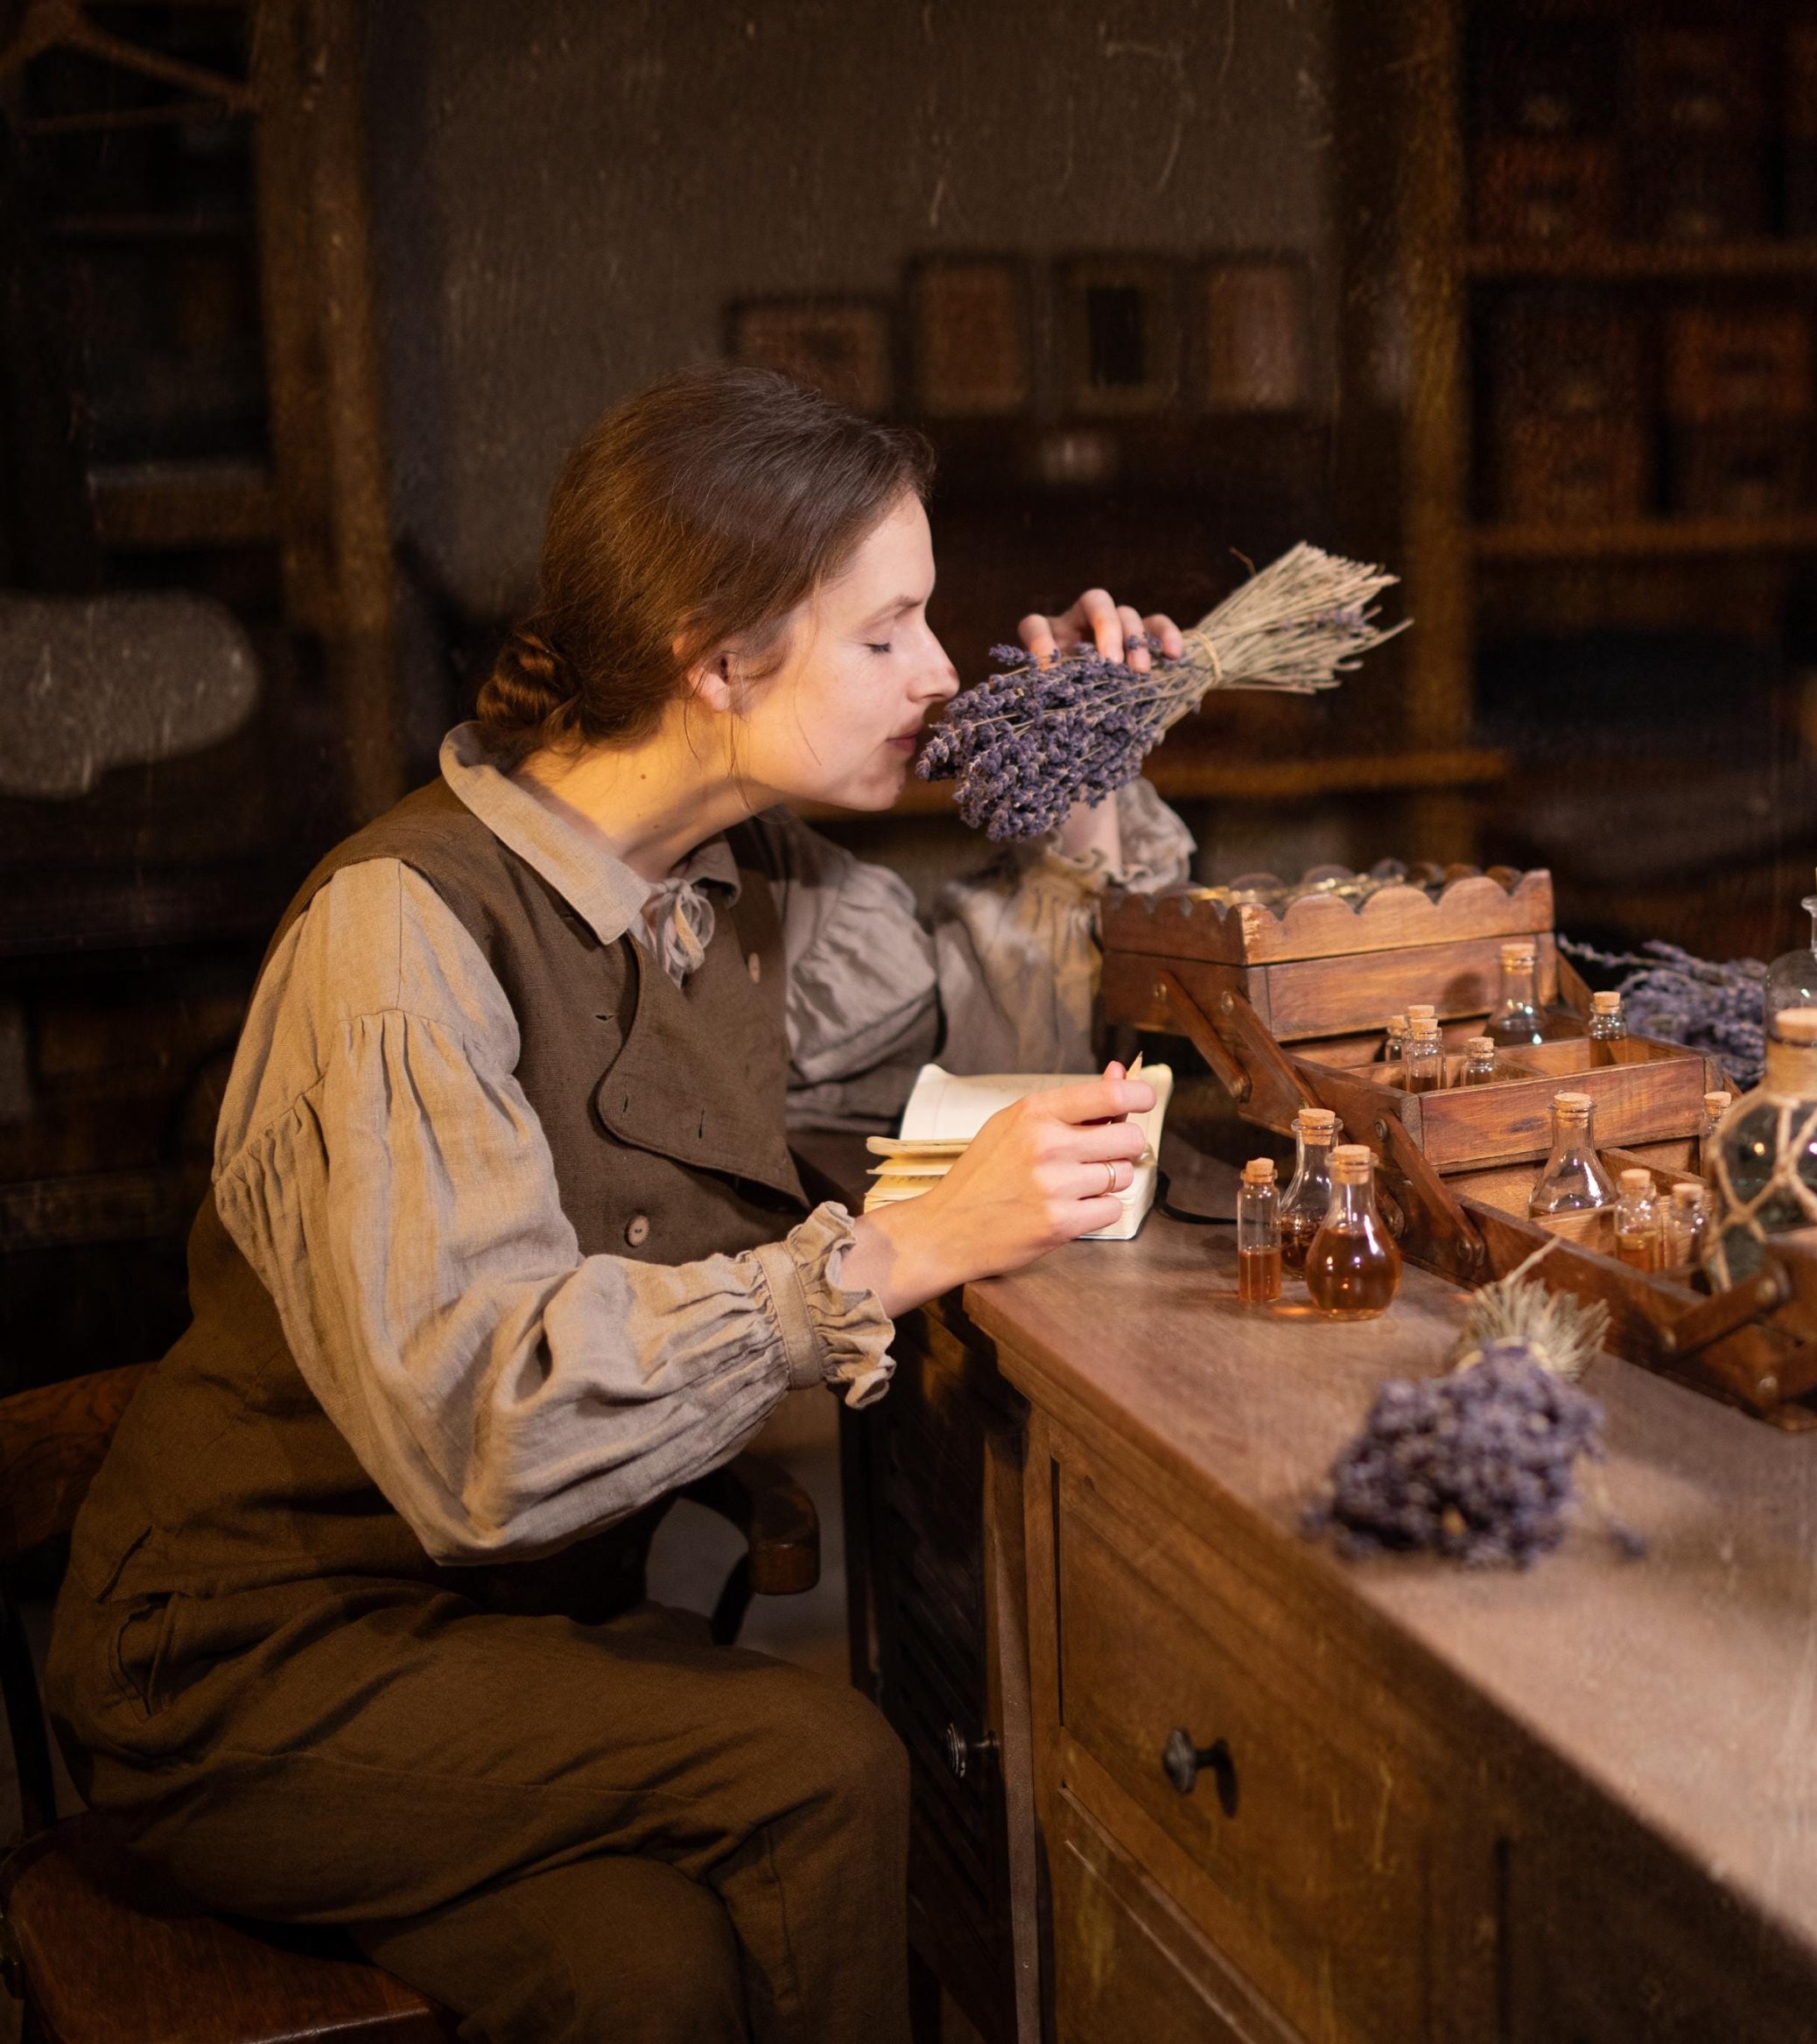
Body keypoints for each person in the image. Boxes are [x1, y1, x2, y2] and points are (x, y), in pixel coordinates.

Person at [46, 368, 1192, 2043]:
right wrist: (886, 1257)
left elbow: (994, 1060)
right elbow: (481, 1433)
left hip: (497, 1656)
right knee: (820, 1767)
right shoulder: (401, 937)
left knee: (651, 1976)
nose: (945, 676)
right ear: (716, 656)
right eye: (888, 634)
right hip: (244, 1675)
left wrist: (1087, 790)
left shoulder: (735, 889)